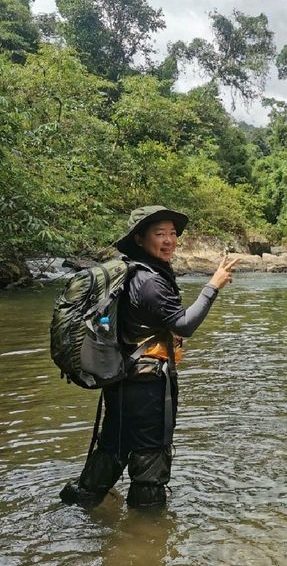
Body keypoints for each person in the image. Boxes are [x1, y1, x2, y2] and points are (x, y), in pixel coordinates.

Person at [59, 205, 239, 508]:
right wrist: (213, 286)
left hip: (122, 379)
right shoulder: (150, 281)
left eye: (172, 234)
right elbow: (185, 324)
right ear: (140, 239)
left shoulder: (134, 272)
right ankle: (149, 527)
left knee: (116, 444)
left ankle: (80, 502)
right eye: (160, 234)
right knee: (151, 452)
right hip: (145, 384)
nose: (169, 240)